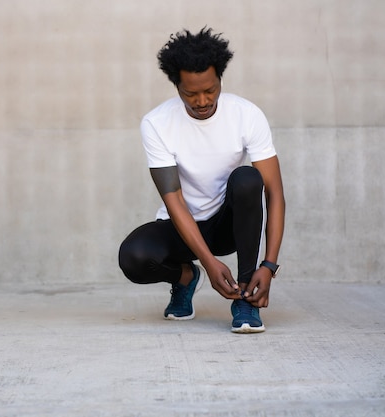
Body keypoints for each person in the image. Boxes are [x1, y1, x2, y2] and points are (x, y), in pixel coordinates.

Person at [118, 27, 285, 333]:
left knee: (249, 178)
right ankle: (186, 278)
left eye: (210, 90)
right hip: (183, 226)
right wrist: (208, 263)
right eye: (190, 93)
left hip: (228, 226)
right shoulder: (156, 123)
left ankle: (245, 297)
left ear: (220, 79)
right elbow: (174, 200)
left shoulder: (246, 114)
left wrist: (269, 265)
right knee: (134, 257)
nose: (202, 100)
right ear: (176, 87)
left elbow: (274, 194)